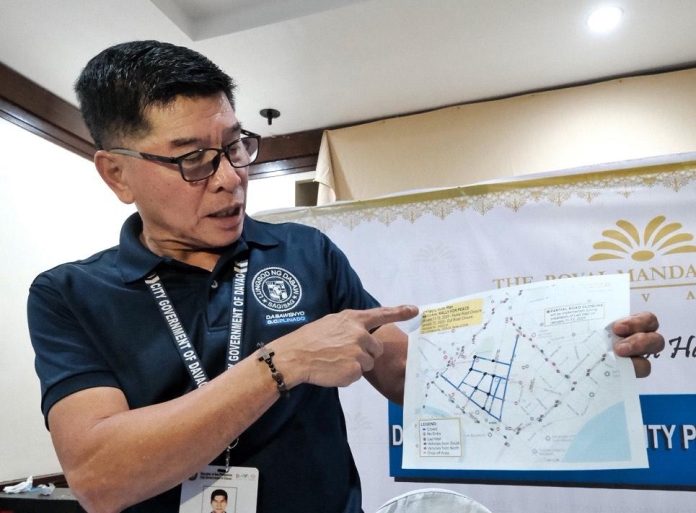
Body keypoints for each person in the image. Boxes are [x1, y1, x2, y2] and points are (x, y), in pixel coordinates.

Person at [27, 40, 664, 513]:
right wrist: (278, 365)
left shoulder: (305, 252)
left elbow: (413, 376)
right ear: (116, 173)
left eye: (235, 146)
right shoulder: (69, 294)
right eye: (192, 159)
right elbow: (101, 476)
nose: (228, 177)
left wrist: (585, 359)